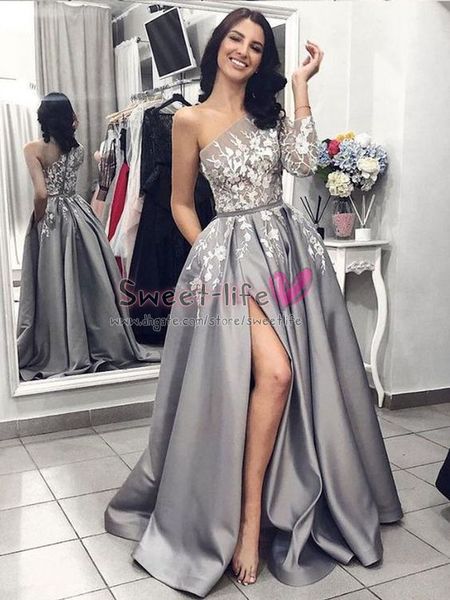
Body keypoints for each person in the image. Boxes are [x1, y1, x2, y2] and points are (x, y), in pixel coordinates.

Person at [105, 8, 403, 597]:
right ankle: (243, 522)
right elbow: (181, 203)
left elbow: (304, 164)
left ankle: (267, 510)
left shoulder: (271, 112)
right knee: (276, 372)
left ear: (264, 59)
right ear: (218, 45)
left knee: (301, 377)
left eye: (257, 46)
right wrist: (213, 256)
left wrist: (301, 87)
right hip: (230, 260)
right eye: (235, 39)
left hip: (289, 253)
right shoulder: (187, 119)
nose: (243, 50)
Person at [17, 92, 160, 380]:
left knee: (54, 279)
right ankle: (97, 338)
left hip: (53, 217)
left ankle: (61, 342)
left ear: (43, 118)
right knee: (87, 280)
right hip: (79, 213)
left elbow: (42, 193)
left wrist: (38, 218)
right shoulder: (79, 149)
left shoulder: (32, 149)